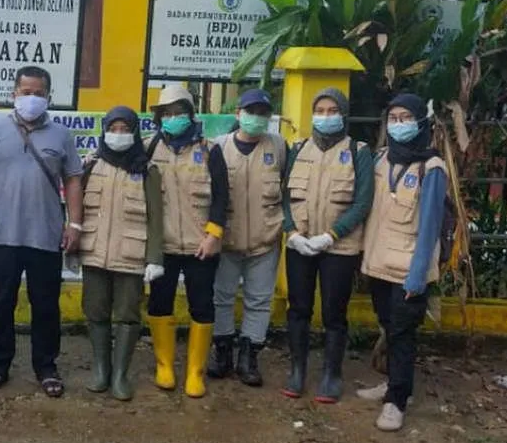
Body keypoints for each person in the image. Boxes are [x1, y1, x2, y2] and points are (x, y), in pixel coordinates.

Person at [0, 66, 84, 398]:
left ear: (49, 96)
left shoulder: (61, 135)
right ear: (14, 93)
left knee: (46, 304)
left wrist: (74, 223)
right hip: (3, 234)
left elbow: (73, 179)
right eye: (25, 91)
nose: (31, 98)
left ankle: (46, 366)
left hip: (46, 236)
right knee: (0, 302)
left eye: (38, 93)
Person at [356, 93, 448, 432]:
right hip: (378, 262)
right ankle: (395, 383)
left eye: (405, 117)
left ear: (420, 122)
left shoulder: (431, 168)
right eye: (393, 118)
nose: (398, 124)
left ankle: (396, 401)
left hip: (409, 268)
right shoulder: (381, 160)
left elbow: (429, 227)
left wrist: (418, 275)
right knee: (388, 326)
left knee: (403, 332)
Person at [280, 88, 373, 403]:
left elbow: (362, 202)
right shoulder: (298, 148)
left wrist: (331, 235)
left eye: (333, 110)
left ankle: (332, 375)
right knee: (299, 309)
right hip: (300, 244)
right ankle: (297, 371)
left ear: (343, 114)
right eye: (320, 110)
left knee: (334, 313)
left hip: (339, 248)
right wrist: (291, 232)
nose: (326, 115)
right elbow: (282, 195)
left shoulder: (358, 151)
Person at [143, 85, 229, 398]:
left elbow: (222, 197)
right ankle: (164, 366)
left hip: (200, 245)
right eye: (167, 113)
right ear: (159, 117)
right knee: (159, 302)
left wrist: (213, 235)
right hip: (162, 245)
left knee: (202, 304)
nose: (174, 118)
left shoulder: (209, 149)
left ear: (191, 115)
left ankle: (195, 372)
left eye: (179, 112)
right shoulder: (150, 147)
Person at [76, 106, 164, 401]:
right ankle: (102, 370)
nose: (119, 135)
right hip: (94, 252)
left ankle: (120, 376)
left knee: (127, 315)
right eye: (113, 129)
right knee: (95, 311)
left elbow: (156, 217)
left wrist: (154, 258)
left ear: (136, 133)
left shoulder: (147, 169)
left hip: (131, 255)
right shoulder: (91, 165)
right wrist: (73, 245)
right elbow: (76, 208)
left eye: (125, 129)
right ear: (104, 132)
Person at [210, 88, 288, 387]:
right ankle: (223, 354)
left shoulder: (278, 147)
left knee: (259, 301)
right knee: (222, 298)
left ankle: (249, 356)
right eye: (251, 112)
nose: (256, 118)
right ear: (238, 113)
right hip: (226, 241)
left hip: (264, 240)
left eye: (262, 113)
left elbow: (287, 189)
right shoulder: (219, 147)